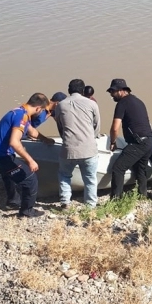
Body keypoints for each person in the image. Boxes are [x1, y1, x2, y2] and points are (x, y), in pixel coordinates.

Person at [0, 93, 53, 218]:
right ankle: (26, 211)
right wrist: (30, 160)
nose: (41, 113)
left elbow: (31, 131)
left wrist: (44, 139)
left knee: (8, 173)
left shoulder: (19, 111)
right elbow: (14, 142)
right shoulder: (22, 117)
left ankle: (13, 201)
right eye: (42, 111)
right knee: (30, 179)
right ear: (38, 108)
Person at [53, 79, 101, 208]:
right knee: (90, 179)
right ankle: (90, 205)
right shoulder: (92, 104)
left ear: (69, 90)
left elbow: (60, 126)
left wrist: (66, 139)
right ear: (83, 90)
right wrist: (91, 138)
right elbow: (96, 126)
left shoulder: (60, 105)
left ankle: (65, 202)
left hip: (68, 149)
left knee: (64, 175)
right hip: (89, 149)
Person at [107, 79, 152, 199]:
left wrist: (112, 142)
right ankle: (142, 195)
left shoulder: (122, 103)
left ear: (121, 91)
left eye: (113, 91)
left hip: (138, 142)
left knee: (118, 168)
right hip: (149, 140)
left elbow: (115, 128)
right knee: (140, 168)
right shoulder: (138, 101)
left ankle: (116, 199)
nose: (111, 94)